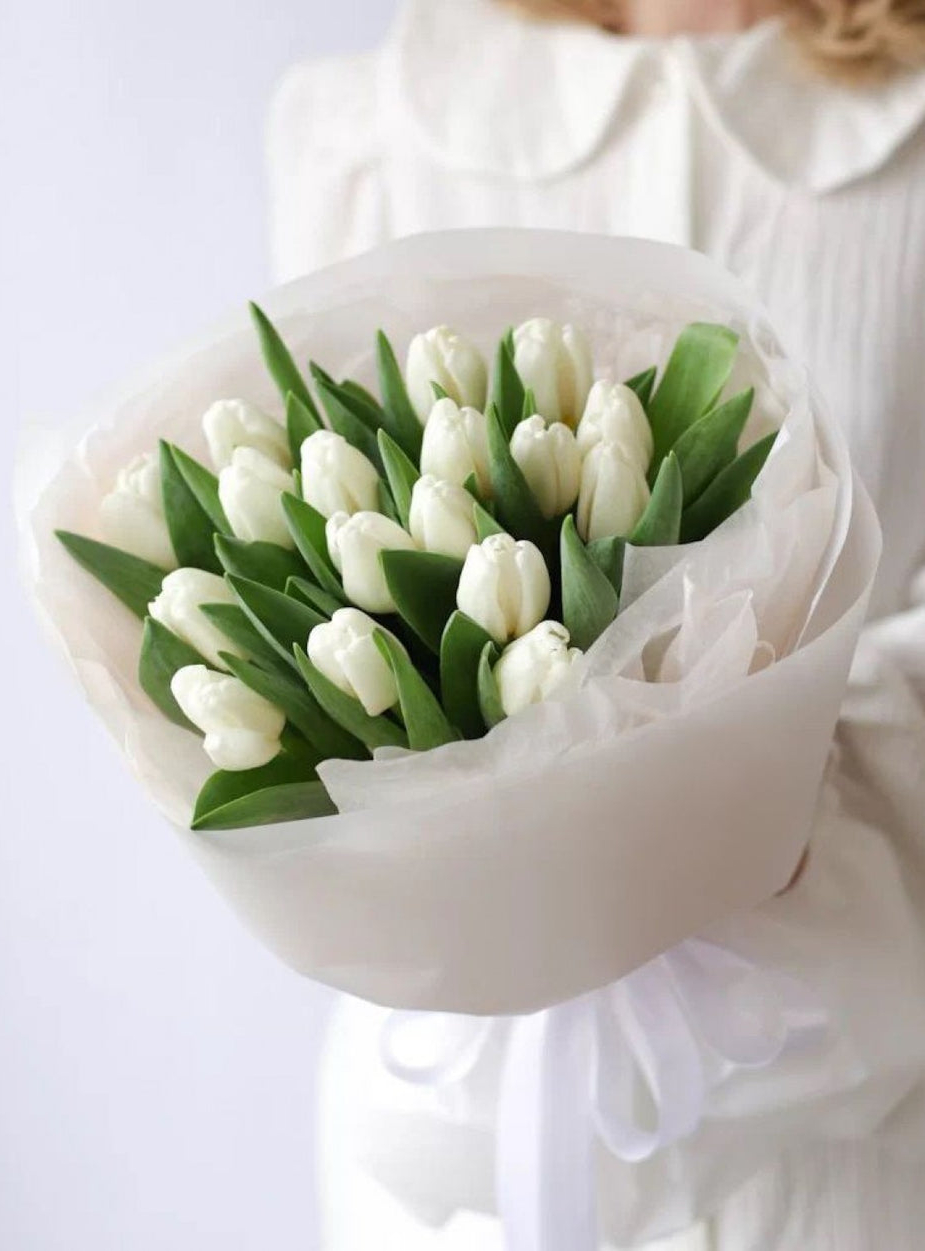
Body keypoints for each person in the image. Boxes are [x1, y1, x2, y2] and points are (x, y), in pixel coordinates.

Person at [266, 1, 925, 1246]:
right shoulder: (373, 124)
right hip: (451, 1133)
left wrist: (777, 809)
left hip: (842, 1116)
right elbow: (314, 571)